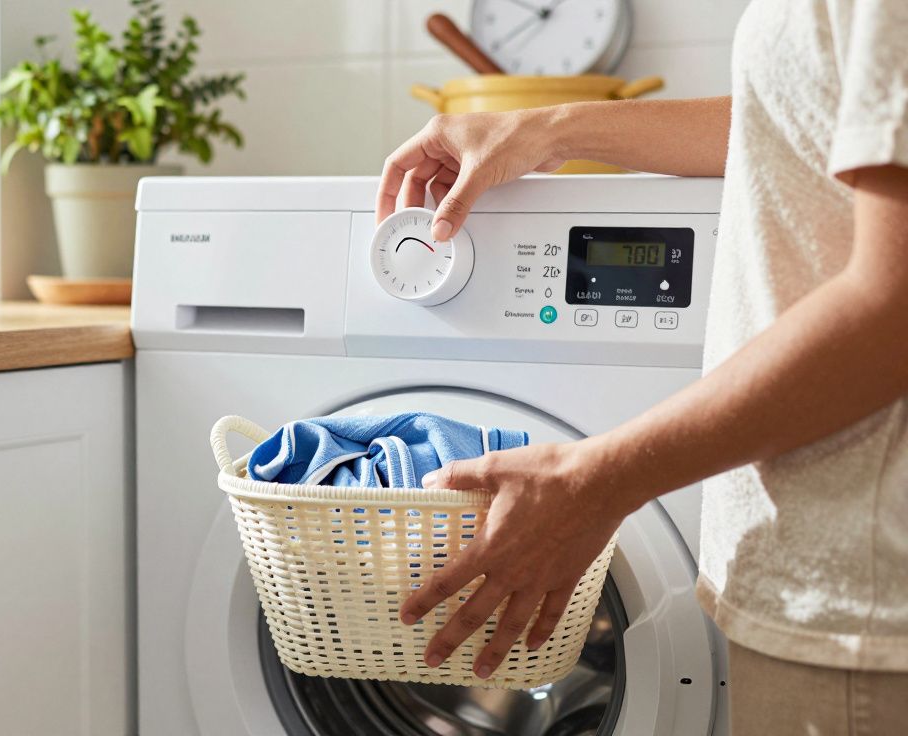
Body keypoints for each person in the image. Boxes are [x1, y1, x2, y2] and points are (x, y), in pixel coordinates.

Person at [375, 1, 908, 733]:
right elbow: (797, 119)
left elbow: (894, 311)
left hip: (865, 610)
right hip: (820, 579)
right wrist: (548, 129)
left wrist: (596, 481)